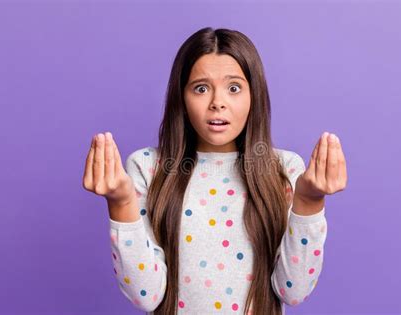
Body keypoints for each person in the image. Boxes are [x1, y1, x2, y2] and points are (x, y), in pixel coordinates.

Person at [82, 27, 347, 315]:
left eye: (233, 88)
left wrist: (309, 203)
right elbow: (146, 295)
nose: (217, 103)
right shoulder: (148, 168)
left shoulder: (283, 170)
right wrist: (121, 204)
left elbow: (293, 291)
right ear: (181, 97)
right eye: (201, 88)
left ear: (253, 95)